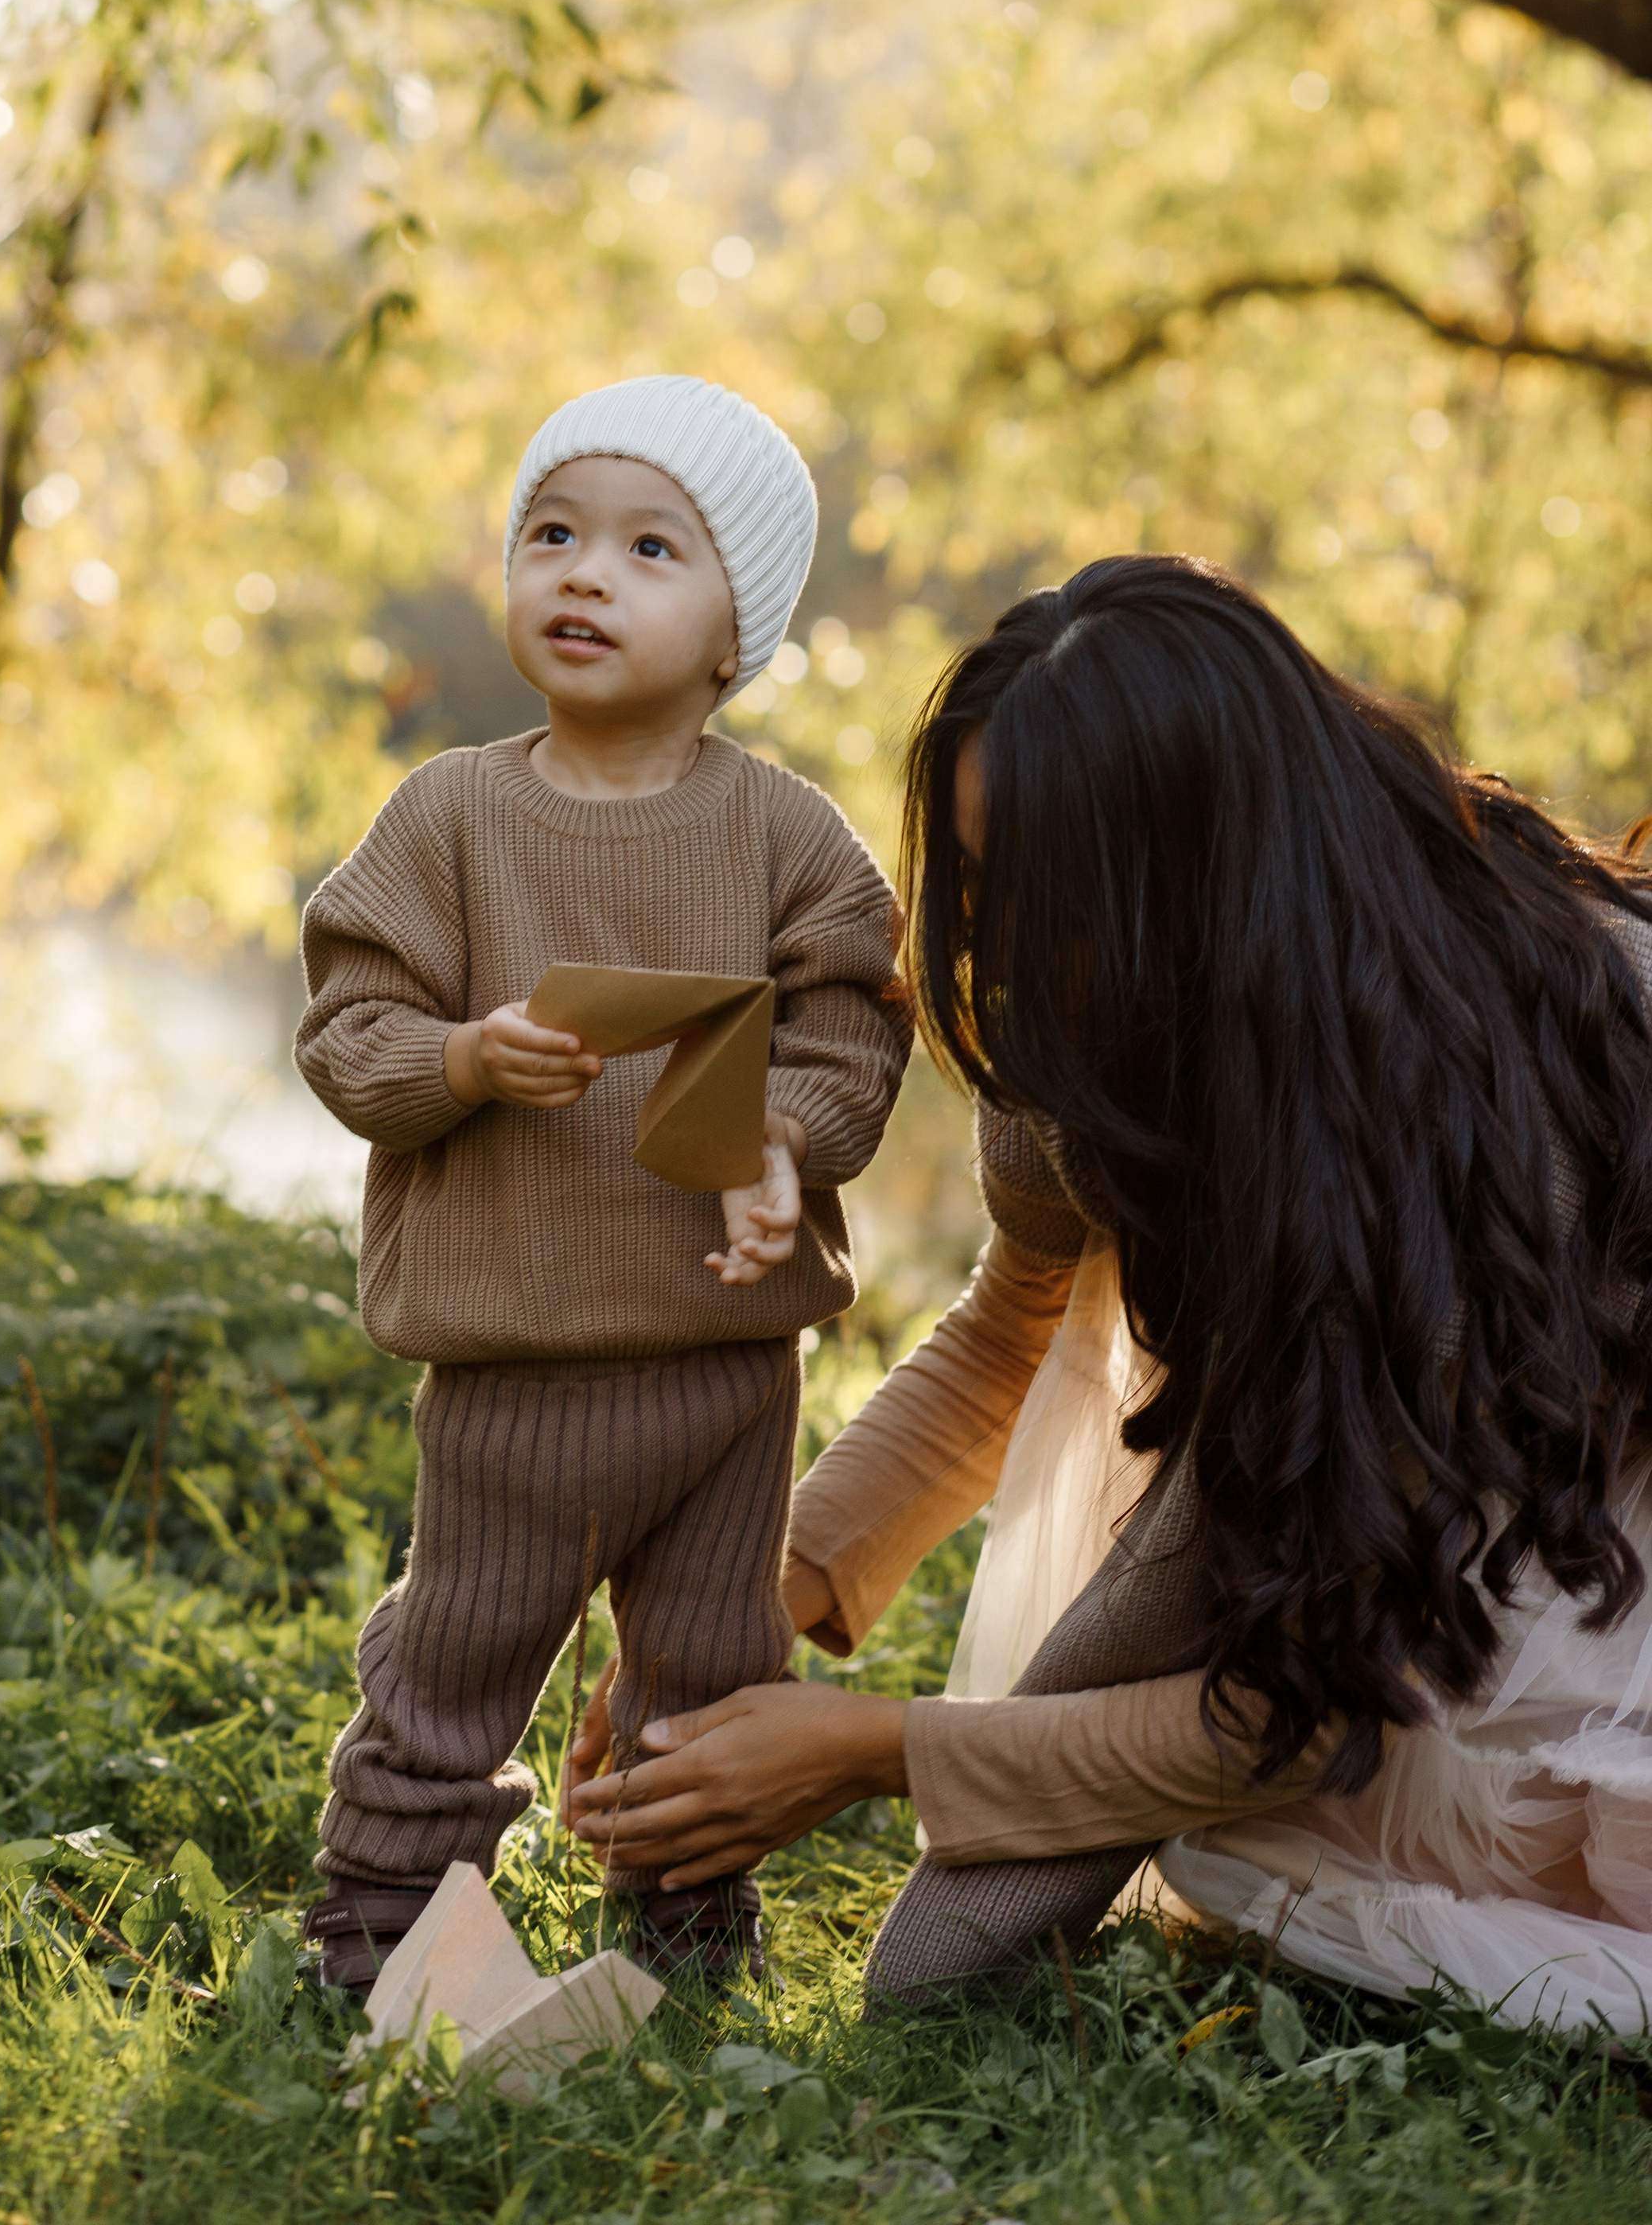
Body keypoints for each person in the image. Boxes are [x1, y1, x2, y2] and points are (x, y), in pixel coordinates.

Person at [568, 554, 1652, 2032]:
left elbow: (1288, 1709)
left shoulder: (1462, 1126)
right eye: (984, 883)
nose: (1002, 954)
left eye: (1052, 902)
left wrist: (867, 1749)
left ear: (1204, 889)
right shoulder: (1093, 1023)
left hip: (1588, 1488)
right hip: (1464, 1465)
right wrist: (766, 1593)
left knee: (1376, 1826)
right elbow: (1011, 1328)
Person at [293, 375, 909, 1997]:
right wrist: (463, 1064)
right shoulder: (447, 819)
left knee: (707, 1674)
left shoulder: (789, 840)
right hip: (515, 1370)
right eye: (551, 532)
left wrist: (778, 1142)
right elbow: (348, 1032)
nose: (583, 573)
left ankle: (684, 1940)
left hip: (723, 1372)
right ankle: (372, 1944)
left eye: (649, 548)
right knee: (457, 1660)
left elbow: (853, 1032)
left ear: (734, 631)